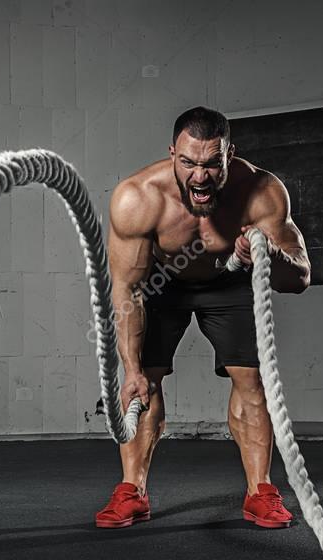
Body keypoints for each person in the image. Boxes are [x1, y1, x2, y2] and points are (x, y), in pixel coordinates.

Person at [96, 106, 311, 529]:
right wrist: (132, 368)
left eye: (213, 163)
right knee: (146, 381)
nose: (200, 176)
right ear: (172, 153)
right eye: (189, 163)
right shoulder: (137, 197)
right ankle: (132, 489)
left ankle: (259, 491)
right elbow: (127, 289)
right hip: (158, 283)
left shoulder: (263, 192)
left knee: (251, 381)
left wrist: (266, 255)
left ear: (230, 156)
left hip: (228, 281)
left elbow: (299, 277)